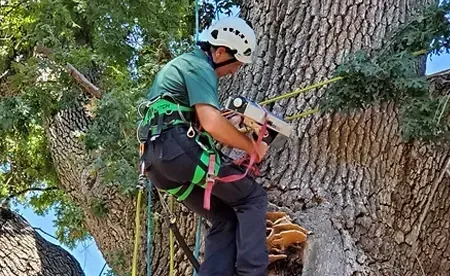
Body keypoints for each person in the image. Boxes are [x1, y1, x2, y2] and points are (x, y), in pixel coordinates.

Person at [142, 16, 269, 276]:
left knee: (225, 217)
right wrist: (251, 146)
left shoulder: (183, 66)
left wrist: (226, 121)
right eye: (236, 63)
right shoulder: (199, 66)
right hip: (177, 150)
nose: (236, 71)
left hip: (157, 164)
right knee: (252, 198)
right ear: (220, 51)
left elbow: (199, 119)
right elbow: (211, 124)